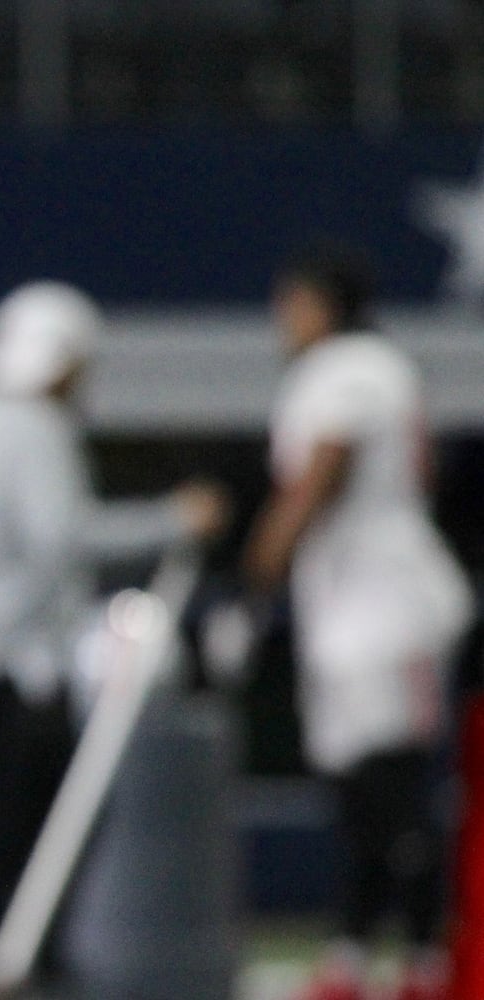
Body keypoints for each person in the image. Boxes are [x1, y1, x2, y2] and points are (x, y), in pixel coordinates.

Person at [0, 280, 227, 978]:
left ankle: (0, 957)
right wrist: (175, 518)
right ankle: (23, 963)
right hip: (20, 660)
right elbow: (62, 538)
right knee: (38, 829)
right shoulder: (30, 428)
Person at [243, 244, 472, 1000]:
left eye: (293, 301)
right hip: (349, 605)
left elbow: (323, 472)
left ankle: (424, 960)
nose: (283, 317)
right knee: (358, 792)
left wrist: (258, 567)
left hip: (387, 607)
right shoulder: (361, 368)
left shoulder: (352, 369)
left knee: (393, 789)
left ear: (325, 303)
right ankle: (353, 952)